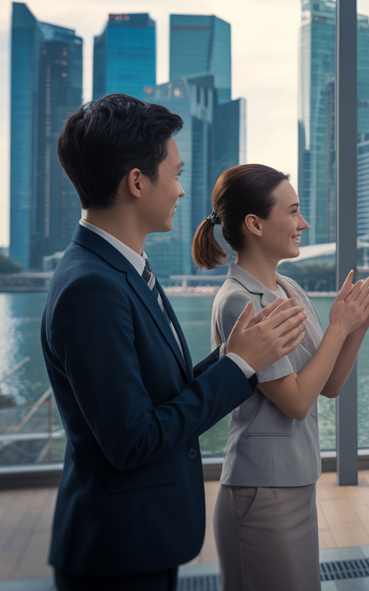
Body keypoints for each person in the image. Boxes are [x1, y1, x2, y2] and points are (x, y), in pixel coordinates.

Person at [44, 94, 309, 590]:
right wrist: (237, 368)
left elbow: (159, 393)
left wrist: (232, 356)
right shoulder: (91, 288)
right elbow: (133, 440)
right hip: (118, 550)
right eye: (177, 173)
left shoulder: (122, 268)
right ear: (137, 182)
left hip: (140, 536)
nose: (182, 192)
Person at [192, 164, 369, 591]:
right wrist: (339, 326)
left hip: (297, 480)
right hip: (261, 489)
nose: (303, 223)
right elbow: (295, 401)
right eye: (292, 212)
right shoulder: (238, 302)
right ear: (255, 224)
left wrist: (359, 322)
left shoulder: (290, 288)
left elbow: (328, 385)